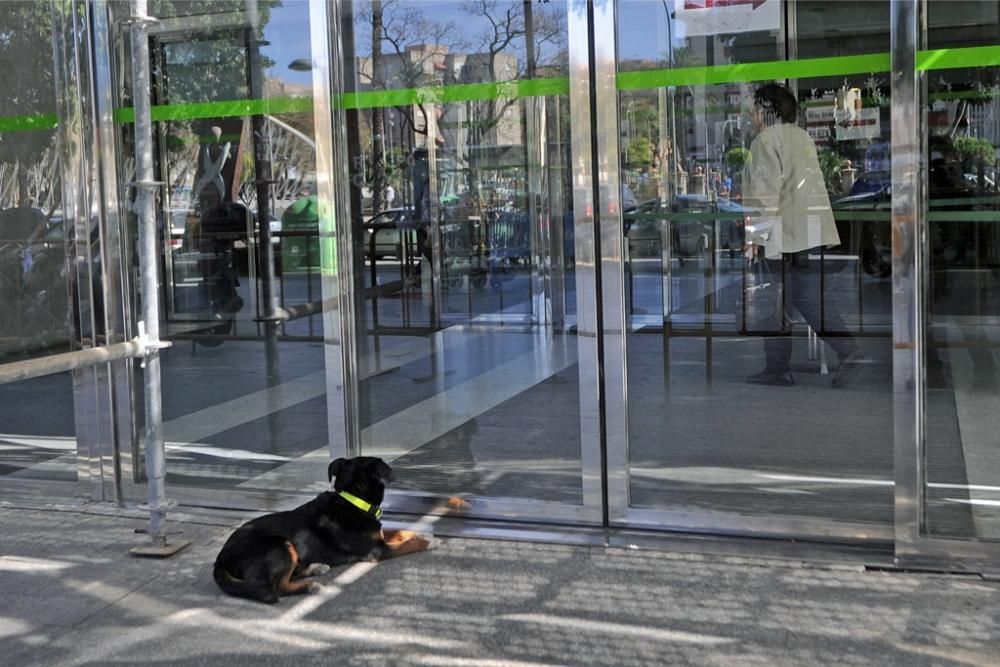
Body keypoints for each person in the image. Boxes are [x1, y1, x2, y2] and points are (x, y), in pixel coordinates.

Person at [742, 83, 863, 387]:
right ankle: (781, 366)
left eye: (756, 109)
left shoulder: (765, 142)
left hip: (782, 236)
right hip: (806, 233)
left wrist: (754, 239)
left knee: (778, 303)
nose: (752, 115)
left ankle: (782, 368)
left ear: (768, 112)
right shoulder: (802, 137)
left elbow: (763, 196)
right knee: (800, 299)